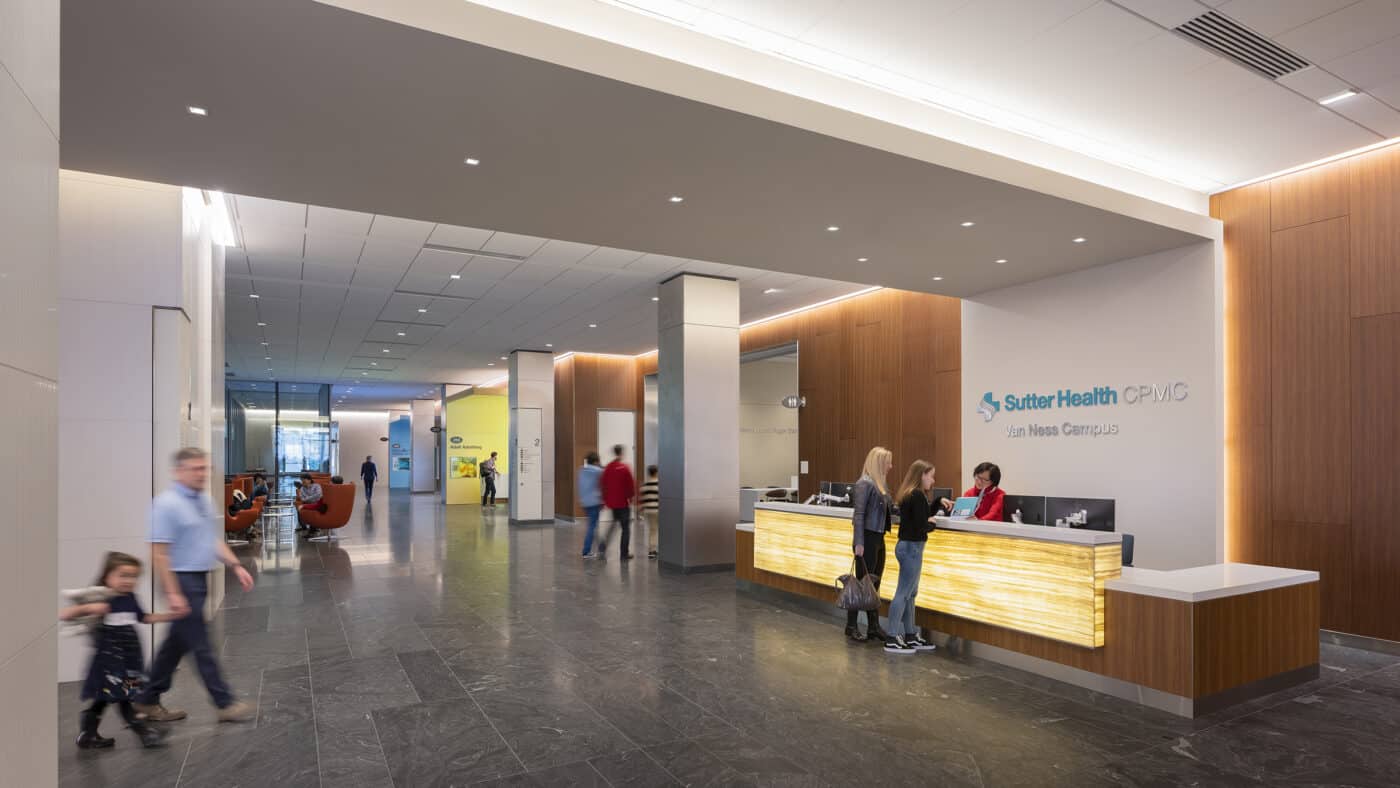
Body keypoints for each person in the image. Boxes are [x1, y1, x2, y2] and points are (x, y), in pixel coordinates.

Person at [134, 448, 256, 723]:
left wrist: (235, 565)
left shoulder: (205, 501)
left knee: (175, 644)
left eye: (205, 468)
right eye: (195, 468)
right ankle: (224, 702)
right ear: (178, 471)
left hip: (199, 578)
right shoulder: (165, 504)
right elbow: (159, 553)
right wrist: (174, 592)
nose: (202, 473)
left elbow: (211, 540)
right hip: (180, 580)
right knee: (200, 643)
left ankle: (146, 698)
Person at [60, 552, 181, 749]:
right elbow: (68, 614)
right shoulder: (104, 598)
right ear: (107, 576)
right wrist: (88, 609)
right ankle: (145, 734)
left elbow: (144, 617)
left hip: (128, 659)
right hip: (110, 663)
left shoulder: (130, 598)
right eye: (123, 575)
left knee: (103, 700)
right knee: (124, 698)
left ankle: (87, 734)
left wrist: (170, 616)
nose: (129, 581)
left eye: (133, 576)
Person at [886, 461, 940, 654]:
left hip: (907, 547)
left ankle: (910, 634)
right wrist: (932, 524)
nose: (933, 481)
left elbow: (920, 516)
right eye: (931, 476)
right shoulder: (916, 495)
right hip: (912, 548)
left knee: (910, 594)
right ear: (922, 475)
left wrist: (936, 505)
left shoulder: (912, 494)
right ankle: (892, 637)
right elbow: (921, 526)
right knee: (903, 593)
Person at [847, 446, 894, 643]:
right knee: (861, 585)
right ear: (878, 463)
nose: (891, 466)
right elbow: (859, 515)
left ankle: (873, 626)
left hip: (878, 537)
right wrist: (859, 542)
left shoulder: (878, 483)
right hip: (867, 538)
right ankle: (851, 625)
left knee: (873, 584)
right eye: (888, 462)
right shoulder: (864, 483)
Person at [599, 445, 636, 560]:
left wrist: (605, 500)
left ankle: (603, 547)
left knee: (613, 525)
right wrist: (631, 498)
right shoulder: (624, 467)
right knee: (625, 529)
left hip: (613, 503)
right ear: (621, 453)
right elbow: (630, 485)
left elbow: (603, 484)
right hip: (623, 504)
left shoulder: (608, 467)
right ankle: (624, 554)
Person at [940, 462, 1005, 522]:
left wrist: (978, 521)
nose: (979, 482)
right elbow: (960, 515)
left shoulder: (999, 495)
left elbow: (993, 515)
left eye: (985, 480)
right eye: (978, 477)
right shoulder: (969, 493)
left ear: (993, 482)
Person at [578, 452, 604, 558]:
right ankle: (586, 551)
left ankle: (602, 547)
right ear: (596, 461)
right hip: (594, 502)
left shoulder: (581, 470)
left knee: (593, 525)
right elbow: (604, 475)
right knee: (592, 527)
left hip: (585, 502)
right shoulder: (597, 471)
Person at [640, 465, 660, 560]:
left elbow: (642, 498)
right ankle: (657, 549)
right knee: (658, 530)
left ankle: (652, 551)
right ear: (656, 472)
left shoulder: (645, 484)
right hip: (657, 509)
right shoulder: (659, 484)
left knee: (653, 530)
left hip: (648, 510)